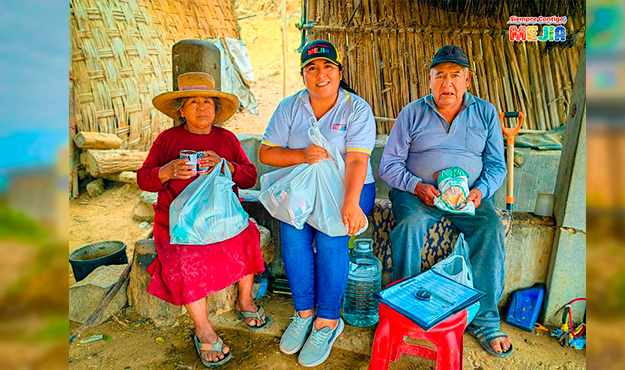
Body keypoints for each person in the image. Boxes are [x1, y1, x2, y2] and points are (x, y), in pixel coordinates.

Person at [379, 45, 512, 357]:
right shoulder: (412, 113)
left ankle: (486, 320)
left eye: (455, 76)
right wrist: (416, 185)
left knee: (490, 228)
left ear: (467, 80)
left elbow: (496, 165)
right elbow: (388, 165)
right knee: (410, 225)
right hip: (418, 195)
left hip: (470, 199)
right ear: (429, 80)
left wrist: (481, 191)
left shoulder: (485, 113)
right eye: (440, 76)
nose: (447, 83)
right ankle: (405, 309)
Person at [137, 72, 271, 368]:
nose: (202, 107)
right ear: (181, 110)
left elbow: (250, 177)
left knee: (247, 235)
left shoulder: (226, 139)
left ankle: (244, 300)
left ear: (216, 110)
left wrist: (225, 165)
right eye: (193, 102)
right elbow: (143, 179)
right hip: (179, 225)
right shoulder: (167, 140)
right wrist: (167, 171)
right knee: (184, 258)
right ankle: (203, 328)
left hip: (221, 219)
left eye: (208, 101)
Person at [259, 39, 376, 367]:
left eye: (327, 67)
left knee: (330, 240)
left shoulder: (356, 109)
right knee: (293, 239)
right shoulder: (290, 107)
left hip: (347, 188)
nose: (320, 74)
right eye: (312, 68)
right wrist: (301, 155)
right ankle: (304, 313)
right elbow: (266, 152)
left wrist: (350, 204)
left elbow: (356, 161)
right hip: (301, 188)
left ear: (339, 72)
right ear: (303, 75)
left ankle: (327, 320)